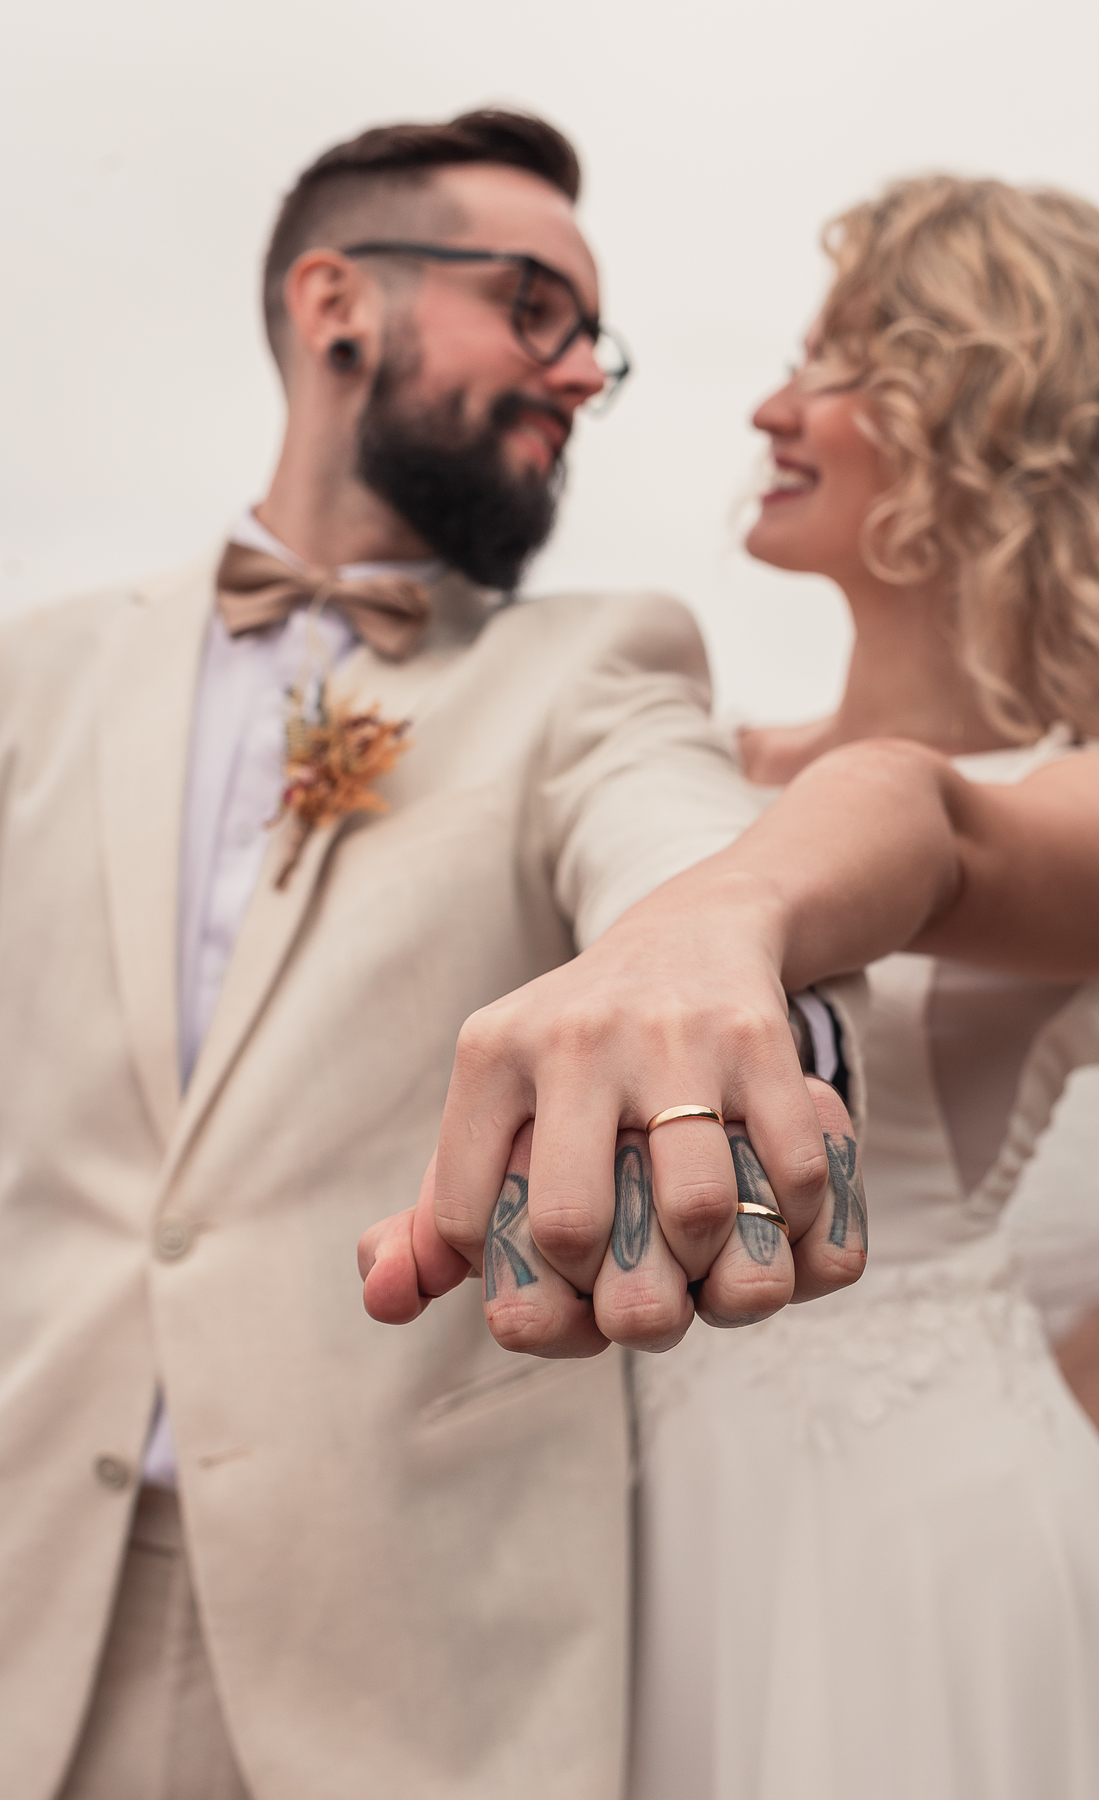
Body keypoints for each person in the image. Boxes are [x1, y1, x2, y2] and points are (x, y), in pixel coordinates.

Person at [1, 109, 869, 1800]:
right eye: (538, 309)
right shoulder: (32, 671)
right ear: (339, 304)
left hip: (414, 1654)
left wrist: (721, 972)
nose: (578, 378)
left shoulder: (597, 664)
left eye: (594, 345)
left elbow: (683, 845)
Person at [368, 179, 1099, 1797]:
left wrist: (718, 920)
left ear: (984, 414)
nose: (769, 406)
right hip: (588, 1519)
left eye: (836, 366)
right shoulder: (668, 771)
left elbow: (921, 821)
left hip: (909, 1520)